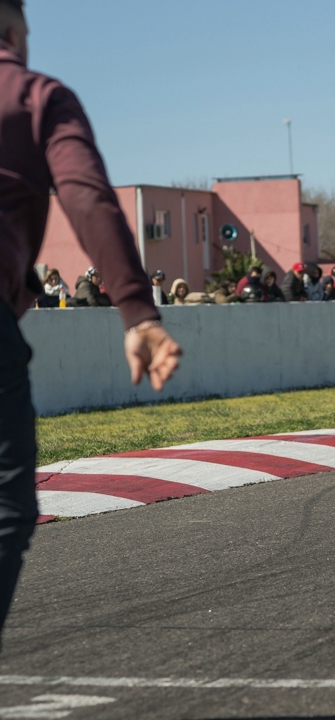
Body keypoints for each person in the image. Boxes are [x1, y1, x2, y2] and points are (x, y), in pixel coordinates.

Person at [0, 0, 181, 637]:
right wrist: (136, 310)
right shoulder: (36, 96)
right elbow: (86, 196)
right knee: (6, 505)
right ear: (15, 30)